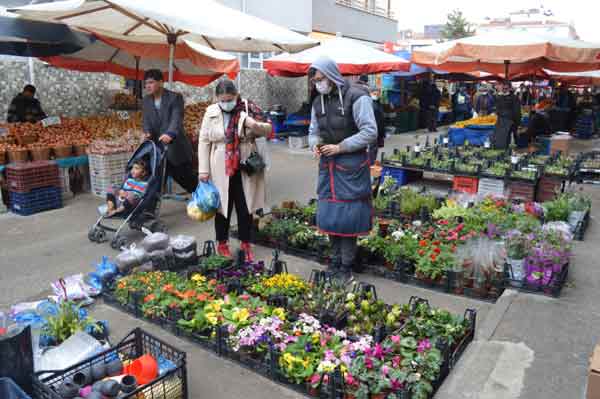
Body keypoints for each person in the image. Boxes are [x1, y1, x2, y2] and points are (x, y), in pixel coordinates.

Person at [308, 56, 377, 279]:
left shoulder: (357, 97)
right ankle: (335, 261)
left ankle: (347, 265)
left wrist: (340, 147)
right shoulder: (318, 101)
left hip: (351, 166)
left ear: (332, 76)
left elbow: (369, 131)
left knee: (348, 218)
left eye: (321, 79)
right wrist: (315, 145)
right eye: (315, 80)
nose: (318, 84)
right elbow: (313, 130)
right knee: (330, 216)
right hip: (327, 167)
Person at [197, 79, 272, 262]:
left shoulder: (249, 108)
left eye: (230, 99)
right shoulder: (211, 112)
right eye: (222, 100)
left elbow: (268, 129)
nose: (226, 103)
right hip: (220, 164)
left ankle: (246, 244)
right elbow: (204, 141)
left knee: (245, 206)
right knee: (222, 207)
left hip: (245, 163)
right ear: (217, 98)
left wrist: (253, 125)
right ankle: (222, 243)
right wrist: (203, 170)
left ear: (236, 95)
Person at [142, 69, 197, 193]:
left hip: (175, 146)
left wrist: (170, 133)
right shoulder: (146, 100)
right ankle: (149, 209)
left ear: (161, 82)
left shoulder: (175, 98)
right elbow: (146, 120)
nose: (147, 86)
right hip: (157, 149)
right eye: (146, 83)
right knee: (155, 181)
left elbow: (176, 118)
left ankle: (204, 199)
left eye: (151, 82)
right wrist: (147, 132)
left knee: (186, 179)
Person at [493, 81, 521, 149]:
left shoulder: (514, 98)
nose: (504, 89)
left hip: (510, 120)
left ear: (509, 88)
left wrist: (517, 122)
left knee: (509, 136)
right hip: (501, 121)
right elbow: (497, 108)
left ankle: (512, 149)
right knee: (502, 138)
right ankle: (503, 149)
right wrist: (496, 113)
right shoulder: (498, 97)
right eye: (503, 88)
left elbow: (517, 111)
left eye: (506, 88)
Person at [368, 85, 385, 165]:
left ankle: (371, 166)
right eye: (375, 93)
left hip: (377, 131)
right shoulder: (369, 103)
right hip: (372, 131)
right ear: (370, 93)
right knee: (371, 152)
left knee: (374, 151)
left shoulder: (377, 103)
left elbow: (380, 119)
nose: (377, 95)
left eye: (378, 93)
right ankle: (369, 168)